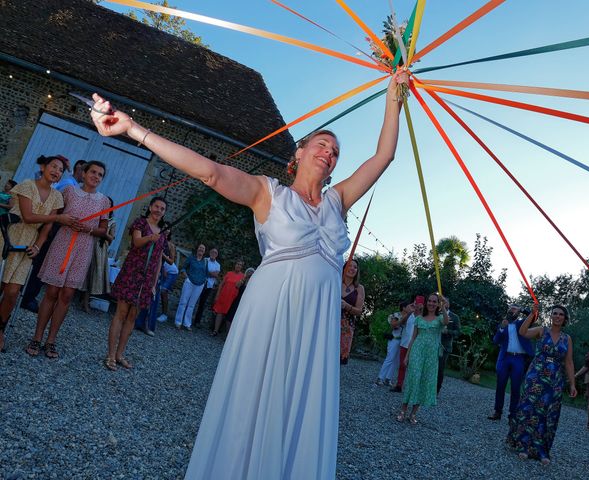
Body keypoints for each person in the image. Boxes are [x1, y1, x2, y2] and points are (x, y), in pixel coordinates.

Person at [90, 69, 407, 478]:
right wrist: (135, 130)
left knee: (301, 400)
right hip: (272, 310)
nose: (329, 153)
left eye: (335, 152)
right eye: (321, 145)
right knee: (258, 396)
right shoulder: (267, 192)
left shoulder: (338, 201)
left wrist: (393, 98)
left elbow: (384, 156)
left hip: (316, 323)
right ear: (299, 152)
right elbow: (211, 172)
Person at [26, 161, 110, 358]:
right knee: (52, 291)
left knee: (67, 295)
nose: (96, 176)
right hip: (62, 242)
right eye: (93, 172)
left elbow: (103, 230)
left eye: (100, 174)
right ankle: (37, 337)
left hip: (83, 247)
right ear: (84, 172)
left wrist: (88, 229)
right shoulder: (70, 192)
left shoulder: (104, 201)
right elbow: (56, 215)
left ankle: (51, 340)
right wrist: (64, 221)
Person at [0, 156, 75, 352]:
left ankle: (0, 329)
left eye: (60, 170)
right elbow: (28, 216)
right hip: (9, 236)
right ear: (43, 167)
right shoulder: (26, 185)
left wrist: (39, 246)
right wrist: (58, 217)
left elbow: (46, 227)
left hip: (28, 245)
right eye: (53, 166)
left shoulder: (57, 197)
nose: (57, 171)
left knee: (13, 292)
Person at [506, 305, 577, 465]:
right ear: (551, 316)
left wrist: (572, 384)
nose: (558, 316)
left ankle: (542, 450)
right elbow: (522, 332)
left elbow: (569, 362)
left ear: (565, 319)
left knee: (549, 413)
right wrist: (532, 314)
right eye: (555, 313)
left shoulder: (567, 339)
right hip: (536, 375)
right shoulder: (542, 330)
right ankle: (523, 445)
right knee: (529, 408)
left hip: (555, 379)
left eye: (561, 314)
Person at [103, 197, 168, 371]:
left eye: (162, 208)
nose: (158, 210)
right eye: (156, 206)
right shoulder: (140, 223)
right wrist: (150, 238)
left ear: (164, 212)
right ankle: (110, 354)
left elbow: (159, 259)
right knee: (121, 313)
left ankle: (120, 354)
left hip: (146, 280)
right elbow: (137, 242)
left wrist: (154, 283)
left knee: (132, 317)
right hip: (132, 273)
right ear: (150, 207)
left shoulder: (163, 233)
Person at [20, 159, 84, 313]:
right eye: (85, 170)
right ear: (78, 170)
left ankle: (27, 295)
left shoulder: (73, 186)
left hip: (52, 225)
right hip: (51, 226)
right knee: (39, 262)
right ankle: (26, 296)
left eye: (60, 169)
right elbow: (55, 208)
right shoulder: (68, 185)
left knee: (40, 262)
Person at [397, 293, 449, 424]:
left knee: (424, 382)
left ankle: (413, 413)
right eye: (430, 301)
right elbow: (413, 338)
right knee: (413, 379)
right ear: (426, 303)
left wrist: (443, 306)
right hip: (417, 352)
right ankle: (403, 410)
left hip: (431, 356)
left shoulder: (439, 319)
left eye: (434, 302)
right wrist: (407, 356)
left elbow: (446, 321)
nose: (431, 303)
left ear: (437, 304)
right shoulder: (419, 319)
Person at [487, 305, 535, 421]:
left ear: (518, 312)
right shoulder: (503, 323)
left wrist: (522, 309)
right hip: (505, 358)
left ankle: (513, 415)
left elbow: (532, 316)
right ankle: (497, 412)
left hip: (518, 359)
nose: (513, 309)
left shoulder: (522, 323)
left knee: (515, 387)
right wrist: (502, 328)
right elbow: (495, 340)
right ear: (508, 311)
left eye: (515, 308)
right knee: (500, 385)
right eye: (511, 308)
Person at [81, 196, 116, 312]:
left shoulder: (112, 222)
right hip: (89, 244)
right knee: (82, 270)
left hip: (100, 249)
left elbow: (111, 239)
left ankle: (86, 300)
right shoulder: (96, 215)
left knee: (93, 275)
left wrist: (104, 233)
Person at [376, 300, 413, 386]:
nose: (410, 308)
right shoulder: (396, 315)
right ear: (404, 308)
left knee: (396, 361)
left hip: (402, 341)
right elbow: (394, 325)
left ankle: (388, 379)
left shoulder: (410, 317)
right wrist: (404, 319)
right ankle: (380, 378)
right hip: (394, 339)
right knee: (390, 358)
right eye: (409, 306)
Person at [390, 295, 420, 393]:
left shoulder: (423, 316)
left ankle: (411, 388)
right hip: (405, 343)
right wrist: (409, 312)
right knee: (402, 365)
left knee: (413, 367)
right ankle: (399, 385)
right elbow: (398, 324)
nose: (417, 304)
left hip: (416, 346)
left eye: (419, 302)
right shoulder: (408, 315)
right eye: (415, 302)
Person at [175, 243, 208, 331]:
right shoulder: (191, 258)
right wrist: (187, 277)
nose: (201, 249)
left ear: (204, 251)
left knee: (191, 305)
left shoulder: (205, 261)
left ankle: (187, 323)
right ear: (197, 249)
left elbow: (206, 273)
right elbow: (183, 268)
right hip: (189, 282)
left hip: (199, 285)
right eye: (200, 247)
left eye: (203, 248)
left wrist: (204, 281)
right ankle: (178, 322)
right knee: (183, 302)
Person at [210, 259, 244, 336]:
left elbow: (240, 287)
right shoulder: (229, 273)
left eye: (240, 265)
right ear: (235, 265)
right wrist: (217, 295)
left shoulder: (242, 276)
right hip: (223, 296)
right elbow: (221, 284)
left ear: (242, 267)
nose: (238, 266)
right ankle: (215, 331)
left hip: (233, 299)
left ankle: (228, 335)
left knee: (229, 316)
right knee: (219, 313)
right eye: (237, 264)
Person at [340, 258, 365, 364]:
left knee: (338, 360)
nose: (352, 268)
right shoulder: (335, 282)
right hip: (329, 323)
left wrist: (347, 306)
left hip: (346, 328)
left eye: (355, 267)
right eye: (350, 265)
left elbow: (359, 311)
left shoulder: (359, 288)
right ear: (344, 268)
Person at [437, 297, 460, 395]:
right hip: (432, 344)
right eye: (440, 302)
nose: (442, 304)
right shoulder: (436, 314)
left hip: (444, 346)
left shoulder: (454, 317)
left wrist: (448, 331)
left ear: (448, 304)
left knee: (440, 368)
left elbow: (458, 332)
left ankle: (435, 391)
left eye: (444, 302)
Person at [193, 247, 220, 327]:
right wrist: (210, 273)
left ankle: (197, 321)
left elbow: (216, 275)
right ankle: (187, 318)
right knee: (193, 300)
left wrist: (207, 272)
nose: (213, 254)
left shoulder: (218, 265)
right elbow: (202, 271)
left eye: (215, 253)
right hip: (200, 283)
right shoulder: (204, 260)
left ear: (217, 255)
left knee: (202, 303)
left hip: (209, 286)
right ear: (209, 253)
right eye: (212, 252)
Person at [156, 229, 177, 323]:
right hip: (161, 269)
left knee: (163, 291)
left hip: (171, 272)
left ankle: (164, 314)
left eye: (169, 231)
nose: (167, 232)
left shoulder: (170, 245)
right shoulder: (158, 240)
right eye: (165, 230)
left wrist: (162, 254)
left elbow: (170, 261)